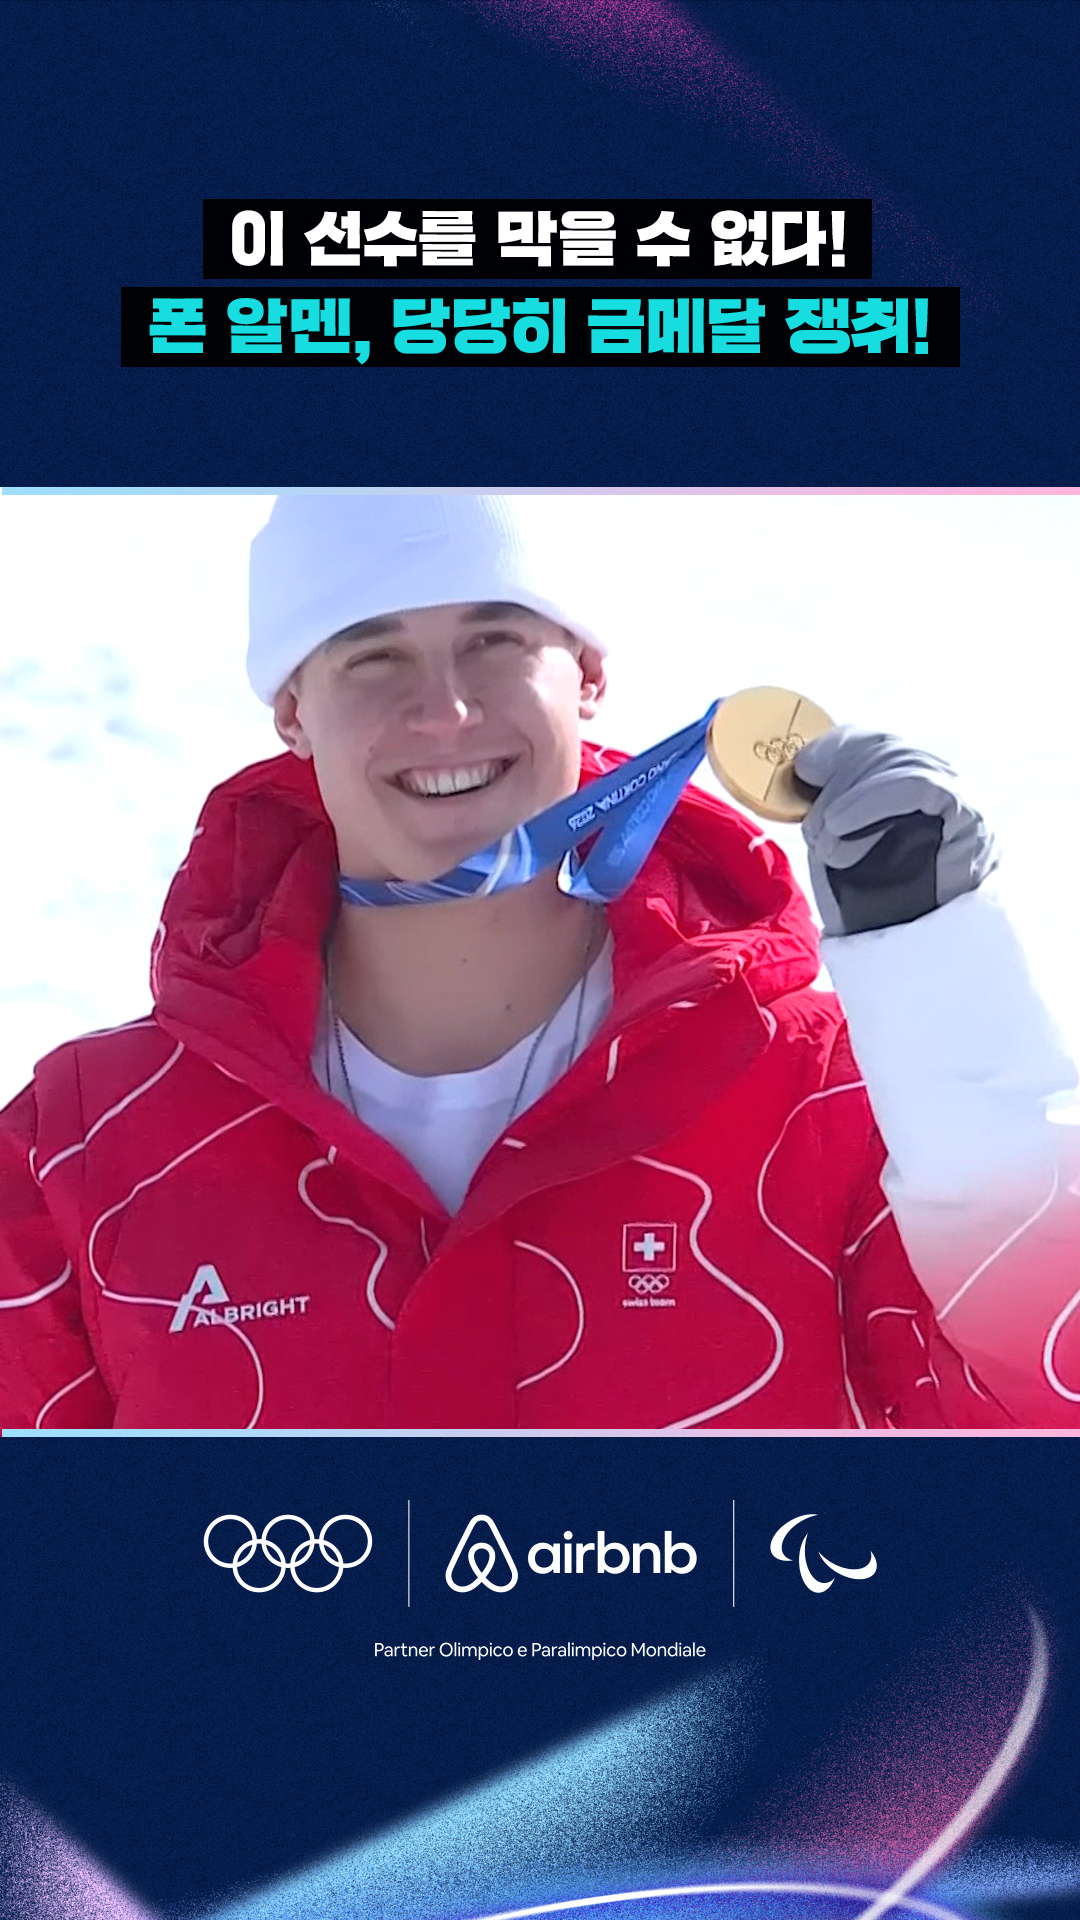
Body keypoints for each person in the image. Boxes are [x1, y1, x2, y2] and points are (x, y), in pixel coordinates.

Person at [1, 493, 1078, 1430]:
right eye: (373, 652)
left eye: (496, 639)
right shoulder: (87, 1144)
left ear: (590, 675)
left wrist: (941, 979)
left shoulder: (820, 1101)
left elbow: (1038, 1411)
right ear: (291, 708)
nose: (446, 710)